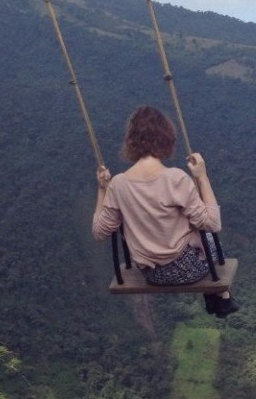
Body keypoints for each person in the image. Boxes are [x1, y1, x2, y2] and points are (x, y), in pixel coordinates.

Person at [92, 106, 239, 318]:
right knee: (212, 242)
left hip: (150, 273)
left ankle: (221, 298)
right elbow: (213, 223)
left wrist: (101, 188)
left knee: (201, 236)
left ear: (131, 141)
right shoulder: (175, 179)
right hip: (185, 269)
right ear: (166, 138)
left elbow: (99, 232)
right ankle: (220, 297)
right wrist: (202, 177)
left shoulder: (118, 184)